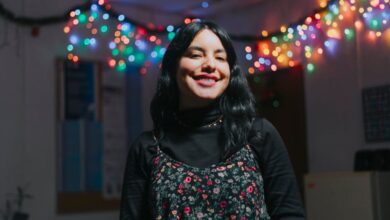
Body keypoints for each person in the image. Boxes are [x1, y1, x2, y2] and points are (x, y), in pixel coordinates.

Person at [120, 20, 305, 219]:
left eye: (220, 57)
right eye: (196, 55)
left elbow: (290, 214)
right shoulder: (147, 147)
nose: (209, 65)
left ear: (230, 71)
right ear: (173, 67)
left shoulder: (258, 134)